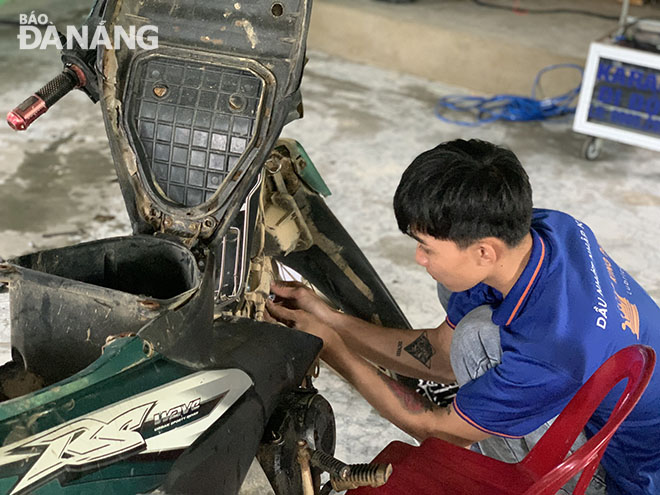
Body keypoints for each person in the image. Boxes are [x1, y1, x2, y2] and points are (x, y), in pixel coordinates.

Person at [265, 139, 660, 495]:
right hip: (604, 391)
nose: (418, 259)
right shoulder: (551, 229)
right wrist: (331, 318)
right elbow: (439, 354)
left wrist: (330, 348)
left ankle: (495, 428)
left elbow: (438, 432)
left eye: (426, 247)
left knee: (476, 339)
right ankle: (490, 403)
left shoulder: (554, 347)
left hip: (620, 478)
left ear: (485, 251)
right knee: (459, 298)